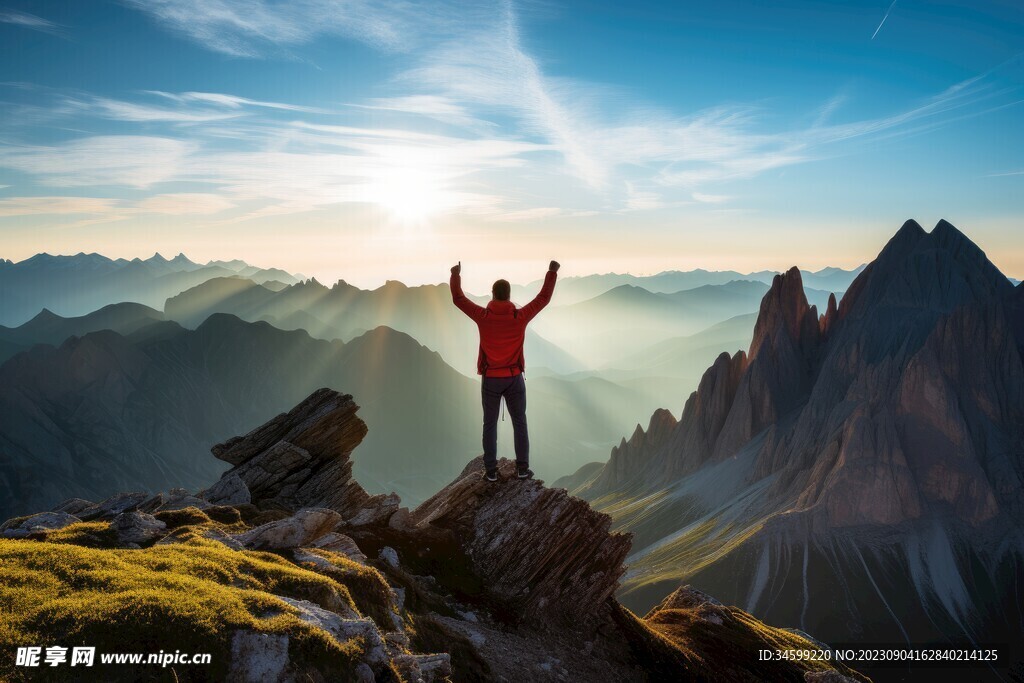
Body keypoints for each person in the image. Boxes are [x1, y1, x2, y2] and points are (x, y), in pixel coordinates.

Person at [450, 260, 560, 482]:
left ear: (492, 295)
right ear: (509, 296)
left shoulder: (483, 317)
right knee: (520, 422)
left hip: (491, 378)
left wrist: (455, 275)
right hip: (514, 378)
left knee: (489, 424)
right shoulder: (520, 317)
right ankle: (522, 469)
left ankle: (491, 471)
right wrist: (552, 272)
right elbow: (543, 298)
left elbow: (458, 299)